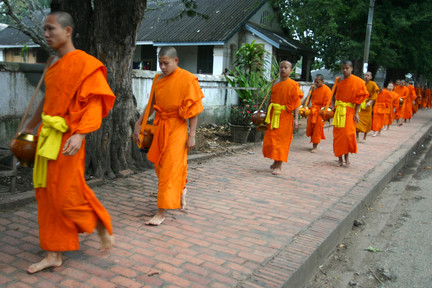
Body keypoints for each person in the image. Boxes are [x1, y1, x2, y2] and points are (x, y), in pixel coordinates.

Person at [19, 11, 115, 274]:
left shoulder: (85, 63)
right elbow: (46, 101)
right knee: (47, 195)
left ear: (68, 31)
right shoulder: (53, 64)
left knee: (66, 193)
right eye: (45, 30)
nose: (47, 34)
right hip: (47, 138)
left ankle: (99, 224)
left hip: (69, 137)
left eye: (51, 29)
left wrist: (81, 134)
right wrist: (29, 126)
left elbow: (94, 101)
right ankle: (54, 253)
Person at [133, 47, 204, 226]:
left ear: (176, 61)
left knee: (169, 169)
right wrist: (138, 123)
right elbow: (151, 105)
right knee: (160, 165)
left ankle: (161, 211)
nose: (163, 67)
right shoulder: (158, 79)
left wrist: (192, 134)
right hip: (160, 126)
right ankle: (181, 189)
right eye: (160, 63)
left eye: (166, 63)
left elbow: (194, 110)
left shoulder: (187, 79)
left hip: (178, 128)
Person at [262, 60, 302, 175]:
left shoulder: (294, 85)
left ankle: (279, 165)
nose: (283, 69)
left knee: (282, 141)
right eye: (281, 67)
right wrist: (266, 112)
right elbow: (270, 98)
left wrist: (296, 119)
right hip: (273, 114)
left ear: (290, 70)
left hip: (285, 116)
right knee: (272, 140)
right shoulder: (275, 82)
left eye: (286, 67)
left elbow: (296, 103)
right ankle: (275, 161)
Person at [331, 60, 369, 167]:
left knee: (348, 135)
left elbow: (360, 98)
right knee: (338, 136)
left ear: (351, 69)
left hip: (349, 112)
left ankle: (346, 157)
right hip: (339, 111)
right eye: (343, 68)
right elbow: (333, 96)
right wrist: (333, 107)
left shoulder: (358, 82)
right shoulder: (338, 81)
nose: (344, 70)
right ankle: (339, 158)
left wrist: (356, 113)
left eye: (347, 68)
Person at [306, 74, 332, 153]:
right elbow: (309, 99)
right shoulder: (314, 89)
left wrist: (325, 113)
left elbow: (328, 103)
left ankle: (315, 146)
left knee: (318, 128)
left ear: (322, 82)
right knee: (312, 128)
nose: (315, 84)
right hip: (313, 111)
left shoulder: (327, 90)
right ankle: (313, 143)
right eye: (315, 82)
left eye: (317, 82)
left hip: (321, 112)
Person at [356, 71, 379, 142]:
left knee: (367, 122)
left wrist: (370, 101)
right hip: (361, 104)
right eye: (365, 75)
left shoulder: (373, 84)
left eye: (368, 75)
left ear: (371, 77)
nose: (366, 76)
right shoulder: (361, 83)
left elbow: (375, 93)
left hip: (368, 105)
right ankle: (357, 137)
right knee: (358, 121)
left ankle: (364, 137)